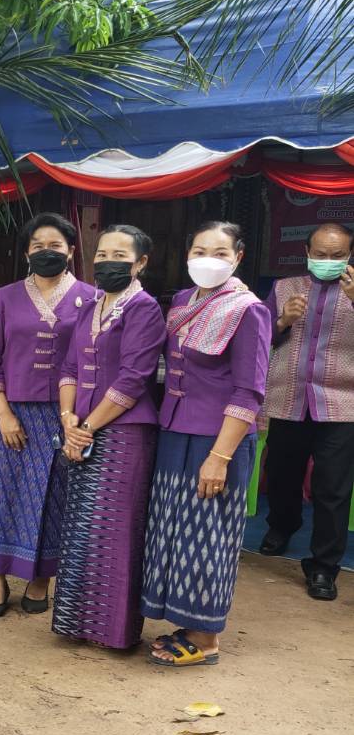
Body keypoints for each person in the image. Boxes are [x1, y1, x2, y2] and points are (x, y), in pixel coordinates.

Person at [141, 221, 271, 668]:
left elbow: (249, 391)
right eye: (199, 250)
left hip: (218, 440)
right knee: (174, 530)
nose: (207, 259)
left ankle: (207, 637)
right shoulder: (181, 301)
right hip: (175, 430)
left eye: (220, 252)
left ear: (238, 258)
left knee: (208, 535)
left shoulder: (248, 309)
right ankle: (186, 621)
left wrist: (220, 457)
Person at [0, 212, 95, 616]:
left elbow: (92, 360)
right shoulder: (6, 297)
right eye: (39, 246)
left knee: (53, 498)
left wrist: (78, 416)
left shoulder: (91, 298)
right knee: (3, 495)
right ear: (27, 251)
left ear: (71, 251)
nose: (48, 252)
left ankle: (41, 578)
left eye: (56, 246)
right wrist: (3, 414)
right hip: (13, 413)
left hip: (65, 417)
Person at [54, 225, 166, 648]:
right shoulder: (89, 307)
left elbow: (134, 379)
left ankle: (114, 631)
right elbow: (68, 368)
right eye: (101, 254)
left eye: (119, 254)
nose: (107, 262)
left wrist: (85, 428)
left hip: (124, 433)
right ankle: (77, 622)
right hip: (81, 429)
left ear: (140, 263)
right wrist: (68, 418)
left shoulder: (145, 309)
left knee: (114, 529)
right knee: (80, 526)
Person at [257, 222, 354, 601]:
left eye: (337, 256)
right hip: (289, 398)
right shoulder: (285, 288)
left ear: (349, 254)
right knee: (281, 474)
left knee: (332, 488)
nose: (328, 261)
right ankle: (282, 526)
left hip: (342, 405)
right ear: (307, 252)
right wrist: (283, 320)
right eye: (321, 254)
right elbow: (258, 338)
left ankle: (323, 567)